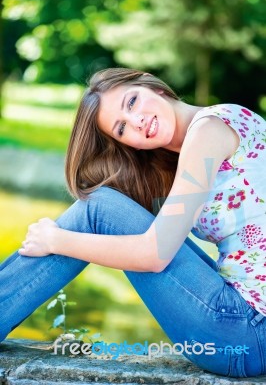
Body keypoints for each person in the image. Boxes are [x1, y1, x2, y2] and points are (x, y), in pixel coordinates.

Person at [0, 67, 265, 378]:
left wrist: (55, 240)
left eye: (132, 102)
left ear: (151, 84)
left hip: (247, 332)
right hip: (246, 327)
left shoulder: (209, 130)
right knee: (102, 206)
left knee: (98, 208)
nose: (137, 121)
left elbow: (155, 254)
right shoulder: (201, 139)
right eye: (122, 129)